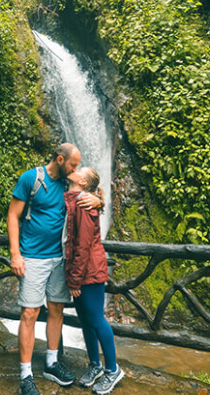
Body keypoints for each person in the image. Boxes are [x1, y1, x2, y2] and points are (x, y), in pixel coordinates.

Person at [7, 143, 102, 395]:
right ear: (60, 159)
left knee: (56, 310)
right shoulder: (31, 178)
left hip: (60, 258)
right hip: (33, 257)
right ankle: (26, 375)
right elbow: (12, 215)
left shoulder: (69, 182)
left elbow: (91, 190)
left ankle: (51, 363)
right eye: (73, 164)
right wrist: (15, 254)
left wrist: (99, 199)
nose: (76, 169)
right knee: (29, 313)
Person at [64, 167, 124, 395]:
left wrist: (75, 280)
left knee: (97, 319)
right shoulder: (79, 199)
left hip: (89, 271)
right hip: (81, 271)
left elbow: (83, 246)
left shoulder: (85, 204)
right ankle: (95, 365)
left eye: (81, 170)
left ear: (84, 182)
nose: (76, 170)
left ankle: (113, 369)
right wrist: (101, 200)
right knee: (85, 320)